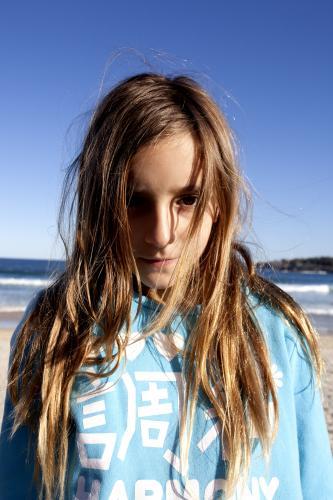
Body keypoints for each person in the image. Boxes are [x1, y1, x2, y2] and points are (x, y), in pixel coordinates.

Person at [0, 72, 332, 500]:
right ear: (100, 202)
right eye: (134, 200)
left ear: (219, 201)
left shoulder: (279, 331)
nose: (161, 233)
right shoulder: (57, 330)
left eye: (187, 200)